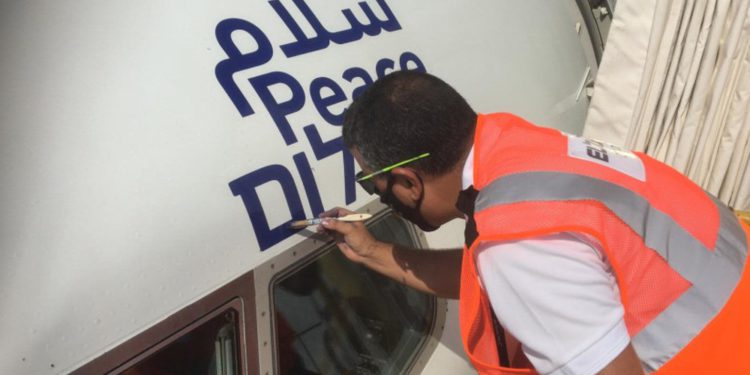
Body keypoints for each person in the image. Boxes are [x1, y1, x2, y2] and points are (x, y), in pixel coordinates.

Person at [318, 71, 750, 375]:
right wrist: (375, 251)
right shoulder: (523, 150)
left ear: (409, 182)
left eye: (376, 188)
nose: (381, 199)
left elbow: (526, 261)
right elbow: (494, 271)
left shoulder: (517, 245)